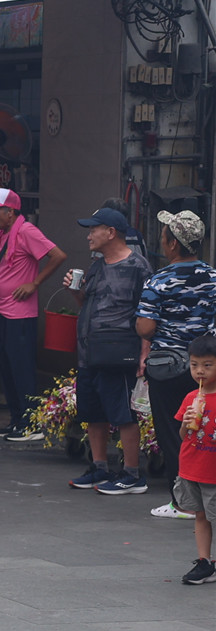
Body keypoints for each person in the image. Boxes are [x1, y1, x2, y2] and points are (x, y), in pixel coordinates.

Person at [68, 203, 151, 496]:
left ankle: (132, 474)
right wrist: (76, 292)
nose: (89, 235)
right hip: (89, 352)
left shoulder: (138, 266)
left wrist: (144, 353)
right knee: (93, 411)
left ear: (111, 232)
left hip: (119, 351)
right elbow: (87, 305)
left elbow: (148, 312)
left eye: (93, 230)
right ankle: (100, 466)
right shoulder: (97, 266)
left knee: (123, 413)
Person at [136, 210, 216, 509]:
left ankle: (182, 503)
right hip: (207, 368)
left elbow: (145, 328)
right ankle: (205, 499)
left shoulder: (158, 280)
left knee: (173, 434)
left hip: (168, 369)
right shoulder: (214, 278)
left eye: (164, 234)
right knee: (206, 432)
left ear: (172, 243)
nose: (162, 239)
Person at [0, 187, 66, 442]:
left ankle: (31, 425)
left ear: (11, 212)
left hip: (20, 314)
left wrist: (34, 283)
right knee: (5, 367)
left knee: (21, 369)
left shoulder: (26, 231)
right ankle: (17, 419)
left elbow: (58, 255)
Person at [172, 336, 216, 583]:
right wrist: (187, 422)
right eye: (194, 365)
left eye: (207, 365)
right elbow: (183, 435)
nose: (200, 371)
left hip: (213, 470)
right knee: (200, 514)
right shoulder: (191, 397)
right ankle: (204, 561)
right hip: (192, 466)